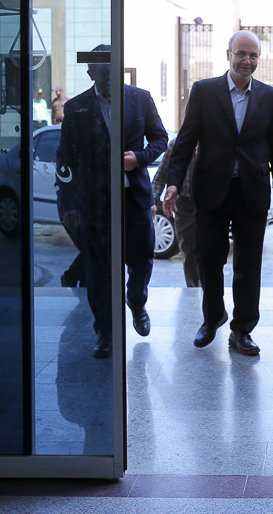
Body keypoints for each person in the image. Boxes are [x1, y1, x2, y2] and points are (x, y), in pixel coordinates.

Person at [163, 30, 273, 355]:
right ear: (228, 54)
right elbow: (185, 142)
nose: (247, 61)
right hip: (211, 190)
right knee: (207, 259)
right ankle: (213, 316)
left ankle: (242, 330)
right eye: (241, 54)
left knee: (249, 265)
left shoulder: (268, 96)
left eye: (253, 55)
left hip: (252, 192)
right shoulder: (204, 91)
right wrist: (173, 183)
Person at [57, 45, 167, 357]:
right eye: (102, 73)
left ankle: (137, 302)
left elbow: (160, 138)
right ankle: (104, 331)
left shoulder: (141, 98)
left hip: (133, 198)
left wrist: (139, 158)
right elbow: (65, 158)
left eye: (113, 72)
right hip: (93, 202)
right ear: (91, 73)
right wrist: (69, 205)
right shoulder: (76, 107)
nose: (109, 78)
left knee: (142, 258)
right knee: (98, 271)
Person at [152, 139, 202, 287]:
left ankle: (210, 293)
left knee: (212, 252)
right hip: (185, 205)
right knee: (189, 251)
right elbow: (159, 178)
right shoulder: (177, 145)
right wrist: (153, 200)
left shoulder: (216, 141)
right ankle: (194, 290)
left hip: (211, 204)